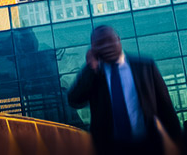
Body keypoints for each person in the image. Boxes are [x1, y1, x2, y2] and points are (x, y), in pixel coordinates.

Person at [68, 25, 180, 155]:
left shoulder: (145, 66)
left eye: (110, 40)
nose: (106, 46)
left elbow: (164, 104)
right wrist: (91, 69)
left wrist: (176, 138)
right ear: (93, 48)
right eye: (100, 43)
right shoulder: (94, 73)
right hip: (110, 148)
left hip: (149, 145)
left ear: (118, 39)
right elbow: (74, 100)